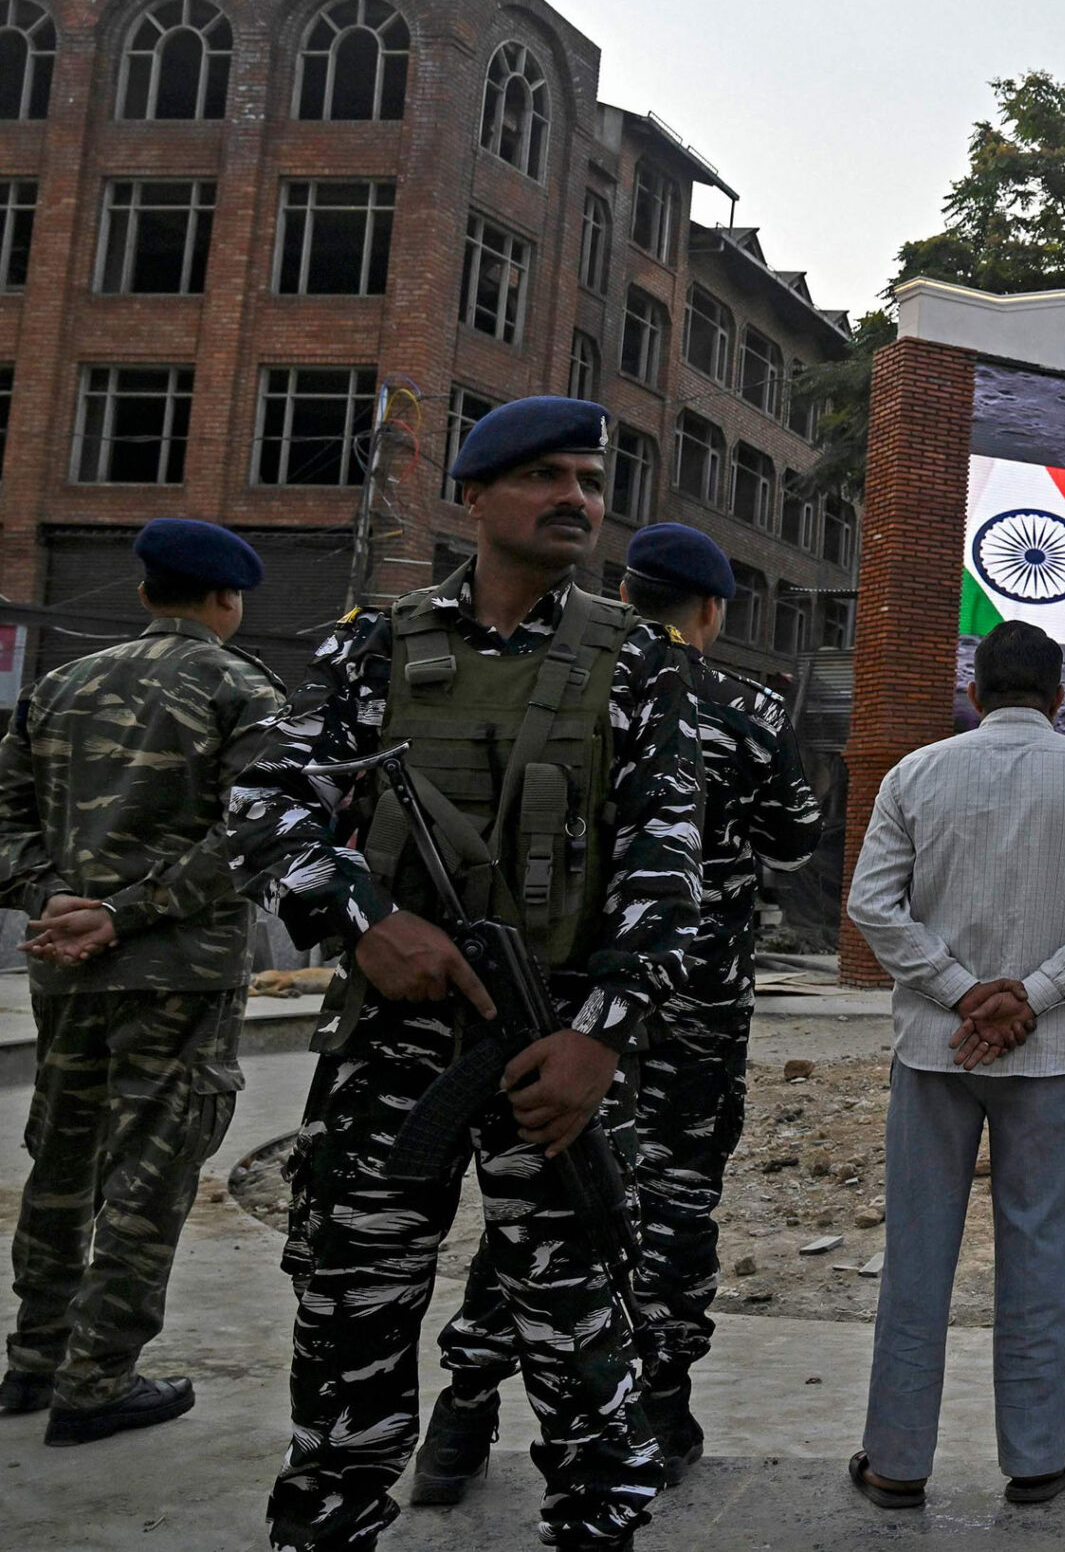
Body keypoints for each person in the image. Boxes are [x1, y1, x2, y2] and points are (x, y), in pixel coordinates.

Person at [233, 397, 704, 1552]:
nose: (577, 500)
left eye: (590, 481)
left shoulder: (636, 657)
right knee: (350, 1336)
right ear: (476, 496)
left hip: (555, 1054)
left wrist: (599, 1037)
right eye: (546, 476)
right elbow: (265, 802)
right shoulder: (375, 645)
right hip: (395, 1051)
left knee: (586, 1357)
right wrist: (364, 922)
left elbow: (666, 861)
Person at [417, 523, 821, 1502]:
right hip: (693, 1009)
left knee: (537, 1201)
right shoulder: (743, 707)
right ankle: (658, 1404)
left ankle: (460, 1419)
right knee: (676, 1200)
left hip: (560, 1002)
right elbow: (796, 838)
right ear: (712, 611)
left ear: (624, 593)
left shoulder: (549, 685)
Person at [843, 621, 1065, 1508]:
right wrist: (1029, 997)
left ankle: (896, 1463)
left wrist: (959, 989)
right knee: (1040, 1250)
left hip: (933, 1051)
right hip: (1044, 1059)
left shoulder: (915, 774)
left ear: (974, 694)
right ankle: (1038, 1455)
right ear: (1060, 697)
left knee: (917, 1255)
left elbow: (872, 903)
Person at [0, 521, 284, 1445]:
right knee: (150, 1173)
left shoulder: (57, 685)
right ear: (227, 601)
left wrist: (59, 903)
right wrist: (126, 914)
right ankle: (97, 1381)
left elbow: (6, 824)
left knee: (63, 1160)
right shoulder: (240, 688)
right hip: (179, 974)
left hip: (66, 967)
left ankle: (33, 1361)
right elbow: (258, 835)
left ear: (143, 592)